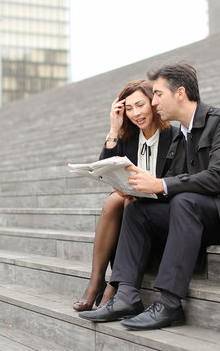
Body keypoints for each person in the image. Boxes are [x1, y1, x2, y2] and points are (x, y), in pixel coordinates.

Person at [78, 61, 220, 329]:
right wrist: (141, 191)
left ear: (179, 93)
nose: (154, 102)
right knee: (136, 209)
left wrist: (160, 185)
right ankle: (126, 295)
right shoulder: (181, 136)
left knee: (184, 200)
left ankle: (169, 304)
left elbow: (218, 178)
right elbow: (176, 184)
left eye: (158, 95)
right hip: (200, 213)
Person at [73, 79, 177, 311]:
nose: (135, 113)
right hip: (131, 211)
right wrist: (113, 129)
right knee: (117, 199)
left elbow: (175, 184)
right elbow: (105, 167)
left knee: (127, 201)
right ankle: (97, 282)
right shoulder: (128, 138)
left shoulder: (175, 136)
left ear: (153, 102)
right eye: (128, 108)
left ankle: (111, 288)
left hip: (160, 217)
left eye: (140, 105)